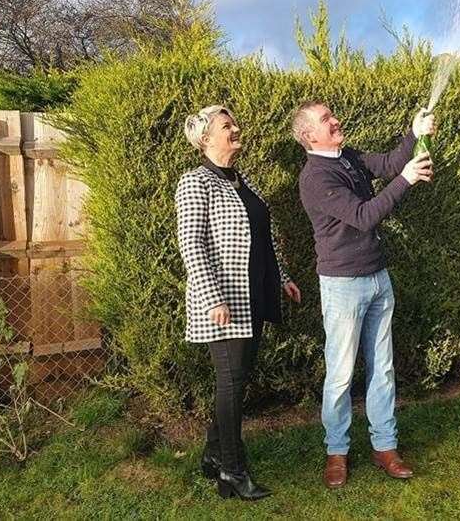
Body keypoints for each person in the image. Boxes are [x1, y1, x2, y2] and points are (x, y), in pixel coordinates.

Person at [292, 100, 435, 488]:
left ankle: (384, 446)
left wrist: (414, 132)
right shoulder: (315, 178)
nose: (335, 120)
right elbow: (363, 216)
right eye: (326, 119)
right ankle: (336, 452)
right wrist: (406, 178)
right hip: (341, 286)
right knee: (339, 375)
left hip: (377, 277)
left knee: (382, 368)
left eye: (332, 114)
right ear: (309, 135)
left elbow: (389, 163)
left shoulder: (348, 157)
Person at [175, 104, 302, 501]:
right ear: (205, 139)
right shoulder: (195, 183)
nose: (236, 129)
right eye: (226, 126)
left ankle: (214, 454)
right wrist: (212, 297)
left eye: (234, 124)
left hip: (254, 295)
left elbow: (265, 240)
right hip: (224, 301)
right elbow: (191, 244)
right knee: (230, 382)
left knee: (238, 379)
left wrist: (283, 278)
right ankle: (232, 470)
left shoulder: (244, 183)